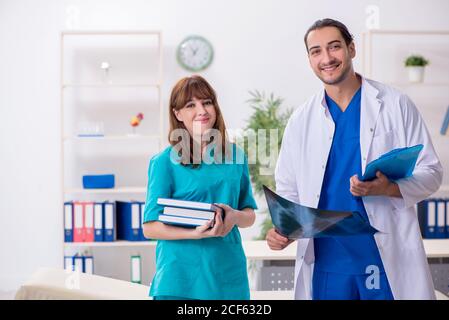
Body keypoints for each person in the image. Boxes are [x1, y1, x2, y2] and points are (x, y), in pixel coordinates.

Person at [266, 18, 443, 300]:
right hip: (327, 263)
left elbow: (432, 172)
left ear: (351, 49)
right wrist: (284, 230)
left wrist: (389, 189)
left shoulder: (395, 104)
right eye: (316, 51)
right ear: (309, 59)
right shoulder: (301, 120)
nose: (326, 58)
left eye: (334, 47)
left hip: (385, 258)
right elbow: (288, 190)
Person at [142, 75, 257, 300]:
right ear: (177, 114)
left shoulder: (235, 156)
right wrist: (194, 234)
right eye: (190, 105)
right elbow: (150, 227)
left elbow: (249, 215)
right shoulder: (164, 162)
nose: (202, 110)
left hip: (227, 275)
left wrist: (234, 216)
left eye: (207, 102)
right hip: (181, 279)